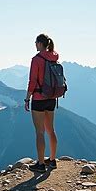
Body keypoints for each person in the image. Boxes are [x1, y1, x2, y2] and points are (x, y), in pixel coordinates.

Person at [24, 33, 59, 173]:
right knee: (51, 130)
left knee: (40, 132)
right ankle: (52, 160)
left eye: (35, 42)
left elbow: (32, 81)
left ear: (39, 43)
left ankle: (40, 164)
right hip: (52, 97)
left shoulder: (36, 59)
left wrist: (27, 98)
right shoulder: (54, 56)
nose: (34, 44)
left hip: (38, 98)